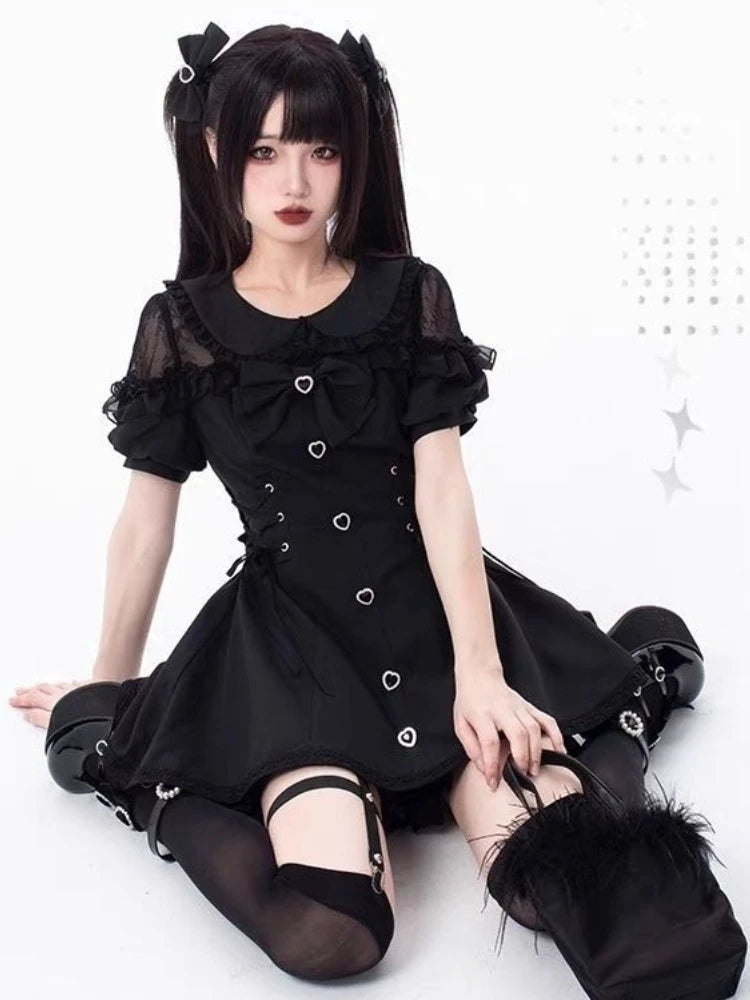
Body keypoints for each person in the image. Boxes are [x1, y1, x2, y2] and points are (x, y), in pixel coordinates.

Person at [8, 22, 740, 992]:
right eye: (264, 149)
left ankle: (631, 694)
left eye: (321, 148)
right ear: (217, 148)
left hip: (438, 624)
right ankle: (156, 799)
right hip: (291, 659)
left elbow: (442, 487)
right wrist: (113, 698)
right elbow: (147, 521)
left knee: (556, 884)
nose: (294, 180)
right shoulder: (181, 326)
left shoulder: (409, 296)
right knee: (333, 932)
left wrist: (480, 674)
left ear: (357, 153)